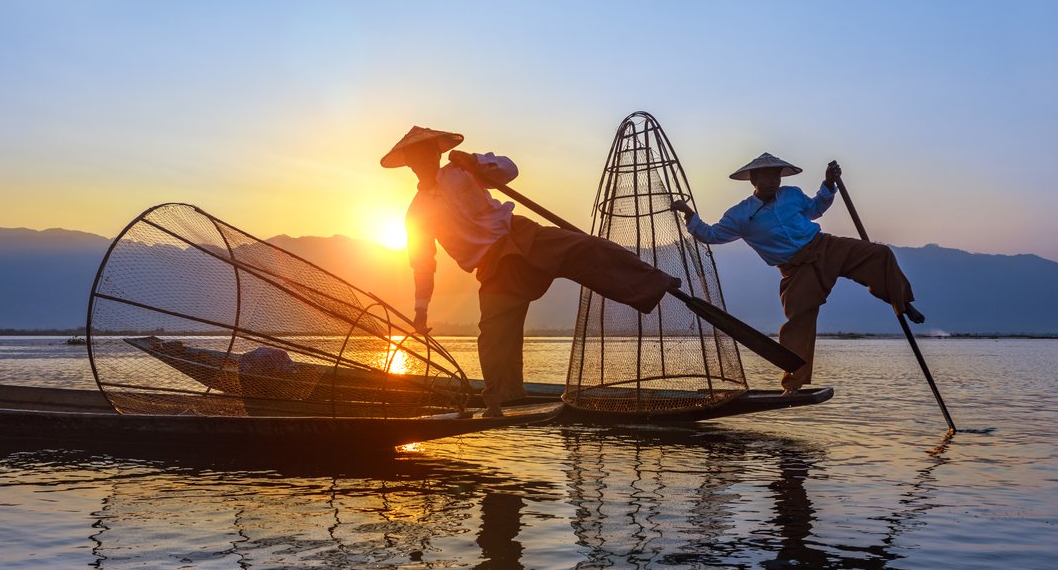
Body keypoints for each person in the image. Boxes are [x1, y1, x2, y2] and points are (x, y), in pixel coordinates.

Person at [381, 126, 681, 416]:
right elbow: (422, 265)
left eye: (428, 153)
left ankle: (656, 282)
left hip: (523, 236)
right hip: (494, 266)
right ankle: (503, 399)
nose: (423, 160)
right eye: (416, 157)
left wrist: (474, 161)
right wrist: (421, 313)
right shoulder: (417, 212)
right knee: (493, 336)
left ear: (437, 153)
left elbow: (509, 170)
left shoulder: (462, 172)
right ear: (409, 163)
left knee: (590, 249)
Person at [671, 153, 924, 393]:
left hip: (825, 246)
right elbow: (712, 235)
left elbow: (816, 207)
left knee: (880, 255)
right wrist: (689, 213)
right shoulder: (741, 215)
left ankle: (902, 302)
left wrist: (828, 182)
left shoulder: (792, 195)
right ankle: (793, 384)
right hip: (796, 269)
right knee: (797, 323)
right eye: (766, 177)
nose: (772, 181)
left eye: (776, 176)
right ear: (754, 180)